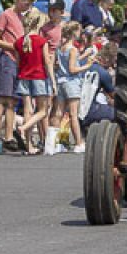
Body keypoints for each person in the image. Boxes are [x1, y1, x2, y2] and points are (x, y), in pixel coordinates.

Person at [0, 0, 33, 152]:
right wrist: (14, 46)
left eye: (28, 6)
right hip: (8, 58)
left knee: (13, 101)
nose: (26, 8)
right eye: (25, 4)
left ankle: (8, 136)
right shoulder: (6, 15)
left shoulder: (23, 18)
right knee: (4, 98)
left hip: (19, 61)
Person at [15, 9, 55, 154]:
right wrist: (53, 82)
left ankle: (28, 144)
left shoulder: (19, 42)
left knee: (28, 110)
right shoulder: (41, 41)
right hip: (38, 77)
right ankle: (23, 128)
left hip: (23, 77)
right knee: (43, 111)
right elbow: (47, 62)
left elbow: (18, 64)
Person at [52, 22, 94, 155]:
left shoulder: (60, 48)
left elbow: (68, 63)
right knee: (73, 115)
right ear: (74, 32)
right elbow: (73, 68)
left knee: (58, 113)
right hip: (72, 83)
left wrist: (84, 56)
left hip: (61, 81)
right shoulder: (73, 49)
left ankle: (54, 143)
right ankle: (78, 143)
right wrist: (87, 66)